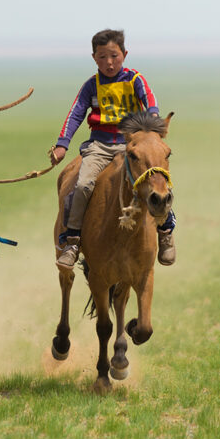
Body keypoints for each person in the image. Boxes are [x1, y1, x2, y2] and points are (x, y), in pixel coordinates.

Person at [50, 29, 176, 269]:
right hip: (100, 146)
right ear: (94, 58)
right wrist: (62, 144)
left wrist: (153, 121)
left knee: (158, 180)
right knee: (83, 184)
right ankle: (73, 240)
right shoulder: (91, 86)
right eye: (102, 57)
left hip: (133, 145)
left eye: (114, 56)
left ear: (124, 54)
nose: (109, 62)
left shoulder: (135, 79)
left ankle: (166, 231)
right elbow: (76, 113)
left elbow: (150, 100)